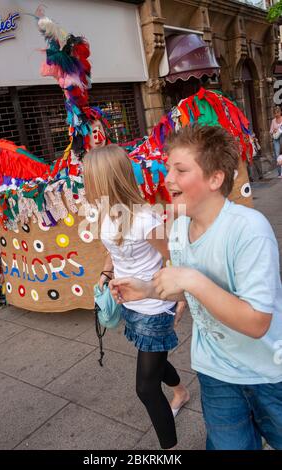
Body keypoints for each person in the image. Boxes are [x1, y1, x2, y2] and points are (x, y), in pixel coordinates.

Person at [110, 125, 282, 450]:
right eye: (168, 167)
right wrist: (147, 289)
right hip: (215, 371)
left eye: (181, 169)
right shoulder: (178, 228)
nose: (167, 178)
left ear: (215, 179)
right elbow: (183, 289)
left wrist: (190, 278)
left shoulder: (248, 230)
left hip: (268, 372)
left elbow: (258, 322)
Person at [83, 144, 190, 450]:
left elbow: (173, 257)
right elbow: (112, 251)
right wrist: (105, 275)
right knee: (152, 358)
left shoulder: (146, 219)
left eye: (88, 178)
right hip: (129, 302)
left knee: (145, 387)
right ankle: (181, 391)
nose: (84, 184)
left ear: (105, 179)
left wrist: (180, 298)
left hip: (156, 306)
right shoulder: (105, 212)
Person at [270, 105, 282, 178]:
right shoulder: (273, 121)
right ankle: (279, 173)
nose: (276, 114)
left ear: (280, 112)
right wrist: (273, 130)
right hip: (276, 139)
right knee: (277, 155)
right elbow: (270, 131)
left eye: (278, 112)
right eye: (275, 113)